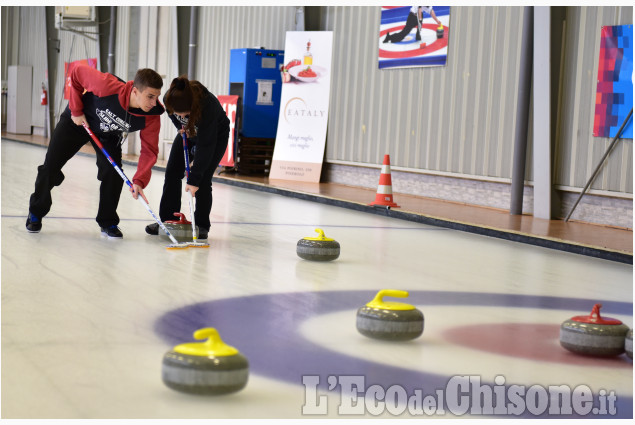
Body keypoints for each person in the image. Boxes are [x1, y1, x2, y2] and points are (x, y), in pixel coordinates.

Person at [26, 66, 165, 238]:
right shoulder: (107, 85)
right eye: (150, 97)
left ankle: (108, 222)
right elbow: (76, 73)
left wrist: (139, 181)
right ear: (135, 91)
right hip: (78, 121)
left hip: (107, 134)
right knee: (50, 167)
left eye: (157, 97)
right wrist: (76, 111)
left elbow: (149, 150)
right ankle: (36, 212)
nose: (154, 103)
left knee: (114, 174)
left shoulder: (151, 116)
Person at [145, 76, 229, 240]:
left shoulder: (208, 106)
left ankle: (202, 225)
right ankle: (169, 220)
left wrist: (194, 179)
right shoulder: (169, 98)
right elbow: (171, 114)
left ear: (193, 107)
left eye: (185, 114)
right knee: (172, 173)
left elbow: (206, 147)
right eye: (179, 114)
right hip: (189, 131)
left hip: (214, 136)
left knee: (203, 180)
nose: (181, 116)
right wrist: (180, 127)